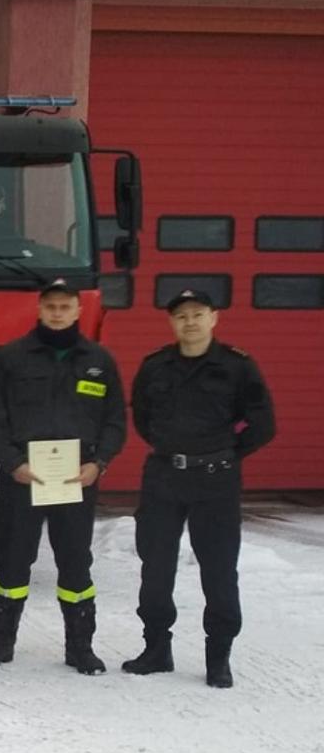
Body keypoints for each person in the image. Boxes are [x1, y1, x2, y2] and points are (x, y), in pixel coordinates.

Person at [124, 289, 275, 689]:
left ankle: (218, 656)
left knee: (219, 570)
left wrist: (225, 453)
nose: (189, 322)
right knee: (155, 567)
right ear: (171, 323)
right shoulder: (155, 366)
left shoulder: (237, 367)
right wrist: (174, 448)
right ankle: (156, 647)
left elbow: (263, 422)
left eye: (197, 314)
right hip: (164, 477)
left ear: (214, 318)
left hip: (216, 481)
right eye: (180, 316)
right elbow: (141, 416)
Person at [0, 278, 126, 675]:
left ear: (79, 311)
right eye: (51, 306)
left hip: (76, 479)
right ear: (39, 310)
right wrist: (12, 463)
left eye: (65, 306)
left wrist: (100, 464)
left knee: (75, 563)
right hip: (24, 477)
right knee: (12, 562)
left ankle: (80, 648)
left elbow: (114, 420)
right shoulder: (12, 357)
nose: (57, 313)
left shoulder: (99, 360)